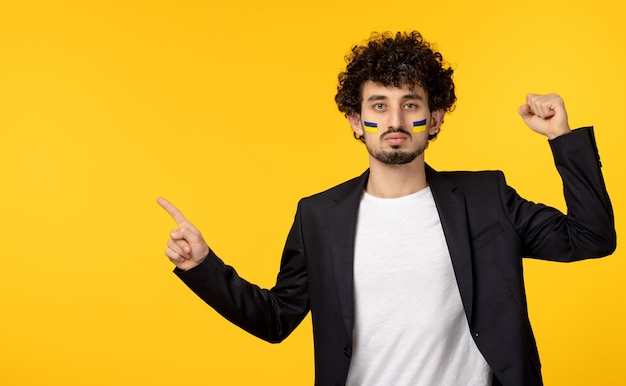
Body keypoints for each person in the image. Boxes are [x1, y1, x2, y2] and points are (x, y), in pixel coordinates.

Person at [158, 31, 616, 386]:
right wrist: (202, 266)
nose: (395, 122)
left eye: (410, 105)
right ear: (357, 122)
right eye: (379, 106)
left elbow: (591, 238)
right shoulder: (319, 216)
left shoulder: (486, 199)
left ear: (434, 119)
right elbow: (277, 319)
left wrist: (562, 138)